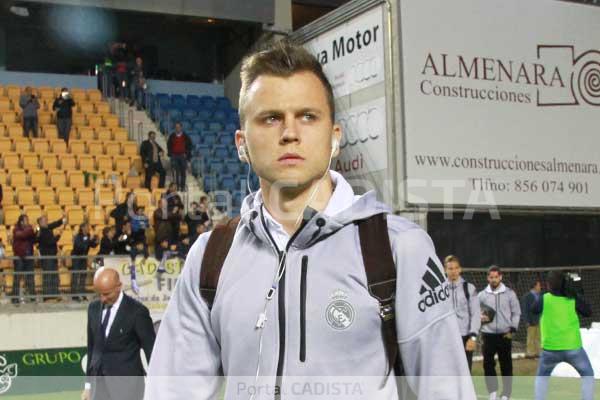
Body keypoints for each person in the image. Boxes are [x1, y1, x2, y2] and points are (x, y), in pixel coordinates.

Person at [146, 41, 475, 400]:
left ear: (335, 138)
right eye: (270, 118)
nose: (290, 132)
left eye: (307, 116)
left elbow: (447, 391)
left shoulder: (397, 247)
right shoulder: (210, 257)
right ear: (241, 143)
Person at [83, 267, 155, 400]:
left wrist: (157, 386)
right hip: (98, 388)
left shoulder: (137, 312)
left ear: (119, 286)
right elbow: (92, 348)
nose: (102, 299)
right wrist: (88, 386)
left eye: (107, 294)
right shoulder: (93, 309)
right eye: (99, 294)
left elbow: (152, 351)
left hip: (129, 388)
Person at [533, 271, 594, 400]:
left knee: (542, 377)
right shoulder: (572, 299)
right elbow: (588, 312)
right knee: (587, 374)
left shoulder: (544, 299)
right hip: (573, 348)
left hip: (550, 348)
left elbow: (533, 309)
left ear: (548, 285)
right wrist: (577, 293)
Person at [478, 266, 521, 400]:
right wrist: (479, 318)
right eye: (491, 277)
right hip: (488, 335)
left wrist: (512, 329)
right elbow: (474, 313)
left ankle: (506, 394)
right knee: (488, 365)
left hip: (504, 335)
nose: (494, 280)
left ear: (501, 277)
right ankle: (493, 393)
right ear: (487, 278)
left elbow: (516, 312)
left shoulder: (510, 293)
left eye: (496, 277)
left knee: (506, 365)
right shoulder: (481, 295)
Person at [444, 255, 481, 371]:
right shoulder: (440, 290)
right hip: (446, 338)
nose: (454, 271)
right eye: (450, 268)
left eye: (456, 268)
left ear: (460, 269)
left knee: (465, 374)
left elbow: (476, 314)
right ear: (445, 270)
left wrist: (473, 337)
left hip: (465, 337)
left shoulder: (469, 288)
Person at [36, 215, 66, 300]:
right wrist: (58, 235)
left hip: (52, 255)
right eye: (45, 220)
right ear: (41, 222)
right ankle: (47, 295)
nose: (47, 221)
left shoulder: (47, 228)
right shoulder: (42, 232)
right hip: (47, 256)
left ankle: (54, 293)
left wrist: (61, 220)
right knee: (48, 276)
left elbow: (55, 224)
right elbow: (50, 242)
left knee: (54, 275)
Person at [11, 215, 36, 304]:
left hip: (29, 256)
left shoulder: (29, 230)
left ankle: (32, 297)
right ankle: (15, 298)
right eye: (26, 220)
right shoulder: (16, 229)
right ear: (21, 222)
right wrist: (31, 229)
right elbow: (22, 235)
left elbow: (33, 239)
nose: (28, 222)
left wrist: (35, 232)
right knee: (17, 277)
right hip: (19, 257)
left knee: (30, 277)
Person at [71, 223, 99, 301]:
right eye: (86, 227)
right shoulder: (78, 237)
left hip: (83, 258)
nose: (88, 229)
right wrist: (88, 240)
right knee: (76, 275)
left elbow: (91, 245)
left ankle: (82, 293)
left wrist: (96, 241)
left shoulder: (88, 236)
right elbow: (79, 246)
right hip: (76, 257)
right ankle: (74, 294)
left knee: (83, 275)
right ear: (82, 228)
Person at [166, 122, 192, 191]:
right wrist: (170, 154)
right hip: (174, 156)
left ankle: (182, 187)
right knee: (176, 172)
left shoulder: (185, 136)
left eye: (178, 127)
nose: (177, 128)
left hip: (182, 156)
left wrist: (187, 156)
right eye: (176, 127)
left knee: (183, 172)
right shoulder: (172, 136)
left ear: (181, 127)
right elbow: (169, 145)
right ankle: (176, 187)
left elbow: (189, 147)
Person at [521, 279, 542, 359]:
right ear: (535, 286)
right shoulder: (527, 297)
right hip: (531, 321)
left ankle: (538, 352)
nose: (540, 287)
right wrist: (526, 321)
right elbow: (525, 310)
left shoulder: (540, 296)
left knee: (538, 337)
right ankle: (530, 353)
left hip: (539, 320)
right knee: (531, 337)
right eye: (539, 285)